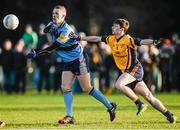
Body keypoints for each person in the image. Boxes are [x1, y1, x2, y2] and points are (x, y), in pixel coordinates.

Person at [71, 18, 177, 123]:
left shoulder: (127, 39)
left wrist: (153, 42)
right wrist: (80, 38)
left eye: (115, 26)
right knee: (149, 96)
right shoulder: (111, 39)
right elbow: (96, 38)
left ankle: (139, 103)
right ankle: (169, 115)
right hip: (127, 73)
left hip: (134, 69)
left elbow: (141, 41)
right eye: (113, 25)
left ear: (121, 30)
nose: (112, 27)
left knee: (119, 84)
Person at [27, 5, 116, 124]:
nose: (54, 16)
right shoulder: (53, 23)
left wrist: (37, 54)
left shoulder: (67, 31)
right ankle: (70, 116)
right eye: (53, 13)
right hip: (68, 61)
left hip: (79, 59)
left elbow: (53, 47)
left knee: (87, 88)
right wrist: (49, 27)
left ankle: (110, 106)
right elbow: (44, 31)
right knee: (65, 87)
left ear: (63, 17)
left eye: (57, 14)